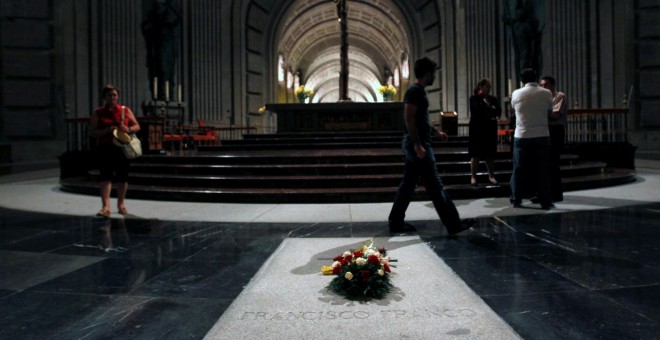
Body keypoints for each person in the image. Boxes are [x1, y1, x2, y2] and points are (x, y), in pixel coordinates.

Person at [388, 57, 476, 235]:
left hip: (417, 144)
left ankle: (395, 222)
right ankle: (453, 224)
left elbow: (419, 119)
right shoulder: (414, 91)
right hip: (418, 146)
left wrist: (436, 133)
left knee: (408, 185)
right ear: (428, 73)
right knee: (435, 185)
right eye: (433, 73)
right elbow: (409, 118)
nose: (434, 76)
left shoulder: (418, 91)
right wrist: (418, 145)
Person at [89, 84, 141, 218]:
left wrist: (128, 129)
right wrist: (106, 130)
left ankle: (121, 205)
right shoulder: (98, 112)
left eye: (115, 95)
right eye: (109, 95)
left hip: (121, 148)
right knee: (105, 176)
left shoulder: (124, 110)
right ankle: (105, 207)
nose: (112, 98)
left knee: (122, 177)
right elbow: (92, 132)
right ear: (104, 97)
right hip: (105, 147)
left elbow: (137, 126)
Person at [510, 68, 553, 209]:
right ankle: (545, 200)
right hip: (542, 134)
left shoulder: (516, 93)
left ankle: (516, 198)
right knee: (542, 169)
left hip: (522, 134)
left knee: (519, 168)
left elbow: (513, 108)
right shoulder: (546, 93)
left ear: (522, 80)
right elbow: (549, 111)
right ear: (535, 78)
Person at [468, 78, 501, 186]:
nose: (489, 88)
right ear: (481, 87)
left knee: (490, 154)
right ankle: (473, 176)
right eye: (487, 86)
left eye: (490, 86)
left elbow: (499, 111)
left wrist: (489, 109)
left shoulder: (493, 98)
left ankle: (491, 176)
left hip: (490, 129)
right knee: (476, 154)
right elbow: (477, 110)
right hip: (477, 129)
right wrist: (490, 109)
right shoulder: (474, 98)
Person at [540, 75, 567, 202]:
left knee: (554, 163)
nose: (543, 87)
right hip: (546, 131)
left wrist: (540, 113)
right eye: (541, 85)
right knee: (546, 164)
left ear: (553, 85)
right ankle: (547, 192)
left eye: (545, 85)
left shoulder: (559, 96)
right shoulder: (543, 97)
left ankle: (556, 194)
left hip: (556, 131)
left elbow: (555, 115)